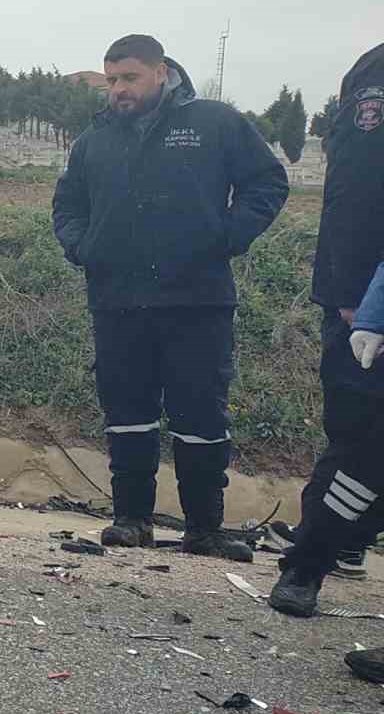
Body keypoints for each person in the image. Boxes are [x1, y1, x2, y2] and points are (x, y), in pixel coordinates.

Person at [52, 34, 288, 561]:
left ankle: (204, 529)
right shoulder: (95, 139)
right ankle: (131, 520)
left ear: (161, 72)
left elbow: (267, 182)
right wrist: (84, 247)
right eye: (111, 79)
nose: (118, 89)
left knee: (200, 416)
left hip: (197, 300)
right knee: (127, 413)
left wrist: (226, 237)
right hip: (117, 301)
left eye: (129, 78)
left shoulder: (213, 122)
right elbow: (66, 205)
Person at [269, 45, 384, 690]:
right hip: (358, 302)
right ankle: (311, 562)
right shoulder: (371, 72)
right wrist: (354, 297)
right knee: (358, 445)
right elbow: (351, 189)